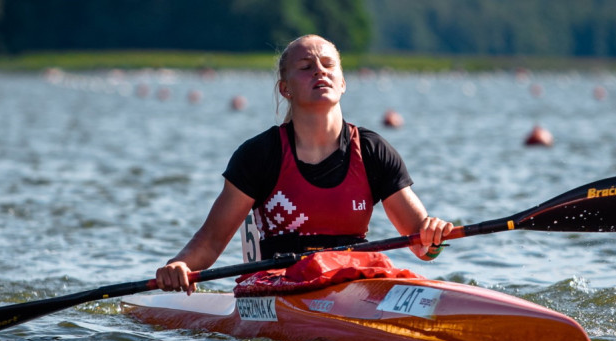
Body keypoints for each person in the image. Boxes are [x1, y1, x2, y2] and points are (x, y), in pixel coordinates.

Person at [156, 35, 454, 294]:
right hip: (281, 282)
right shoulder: (260, 155)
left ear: (342, 82)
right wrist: (178, 265)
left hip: (353, 277)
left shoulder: (373, 150)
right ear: (285, 89)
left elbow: (421, 245)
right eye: (306, 67)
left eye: (328, 65)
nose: (319, 72)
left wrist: (434, 236)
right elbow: (209, 242)